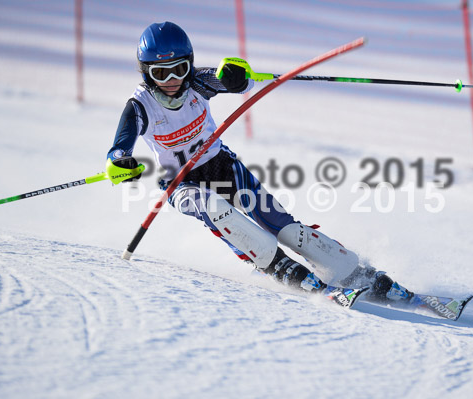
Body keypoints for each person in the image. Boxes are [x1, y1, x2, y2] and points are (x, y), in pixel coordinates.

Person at [106, 21, 413, 308]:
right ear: (146, 73)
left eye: (179, 69)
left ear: (190, 65)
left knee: (284, 227)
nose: (172, 81)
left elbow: (236, 82)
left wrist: (237, 77)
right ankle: (278, 266)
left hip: (222, 167)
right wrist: (121, 163)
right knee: (215, 208)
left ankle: (356, 273)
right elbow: (119, 149)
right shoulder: (139, 106)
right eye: (161, 73)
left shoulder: (198, 82)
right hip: (181, 183)